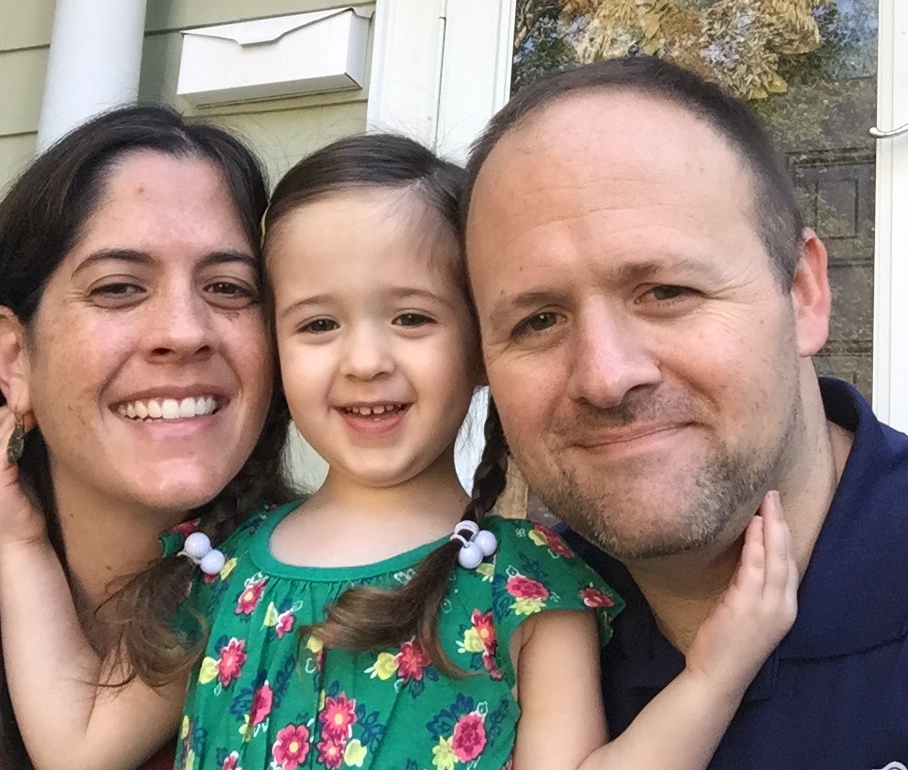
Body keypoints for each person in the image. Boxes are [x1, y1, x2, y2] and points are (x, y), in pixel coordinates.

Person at [0, 132, 795, 770]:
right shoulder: (221, 568)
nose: (366, 360)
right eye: (318, 324)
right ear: (273, 350)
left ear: (484, 345)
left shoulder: (525, 588)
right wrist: (21, 543)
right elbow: (77, 745)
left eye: (412, 318)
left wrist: (714, 679)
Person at [462, 55, 908, 767]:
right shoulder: (484, 646)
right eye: (539, 320)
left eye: (666, 291)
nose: (606, 377)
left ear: (803, 294)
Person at [0, 105, 293, 770]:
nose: (186, 330)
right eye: (120, 287)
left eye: (228, 286)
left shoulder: (335, 599)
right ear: (14, 360)